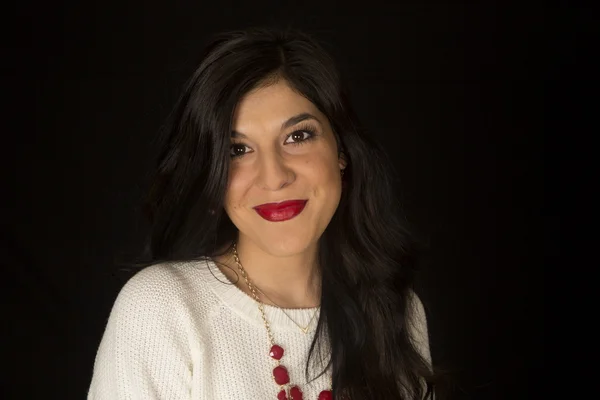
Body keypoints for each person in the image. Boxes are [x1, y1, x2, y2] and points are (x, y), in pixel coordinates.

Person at [88, 26, 437, 400]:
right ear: (213, 175)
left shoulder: (395, 310)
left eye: (297, 136)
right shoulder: (162, 309)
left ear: (342, 151)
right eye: (237, 150)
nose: (274, 177)